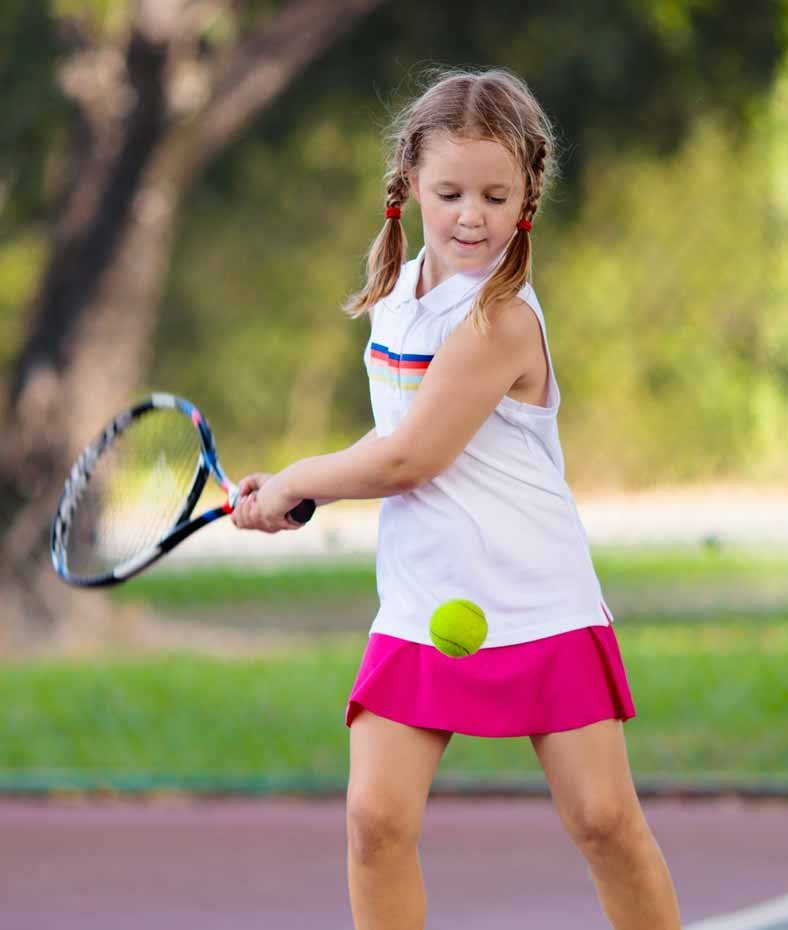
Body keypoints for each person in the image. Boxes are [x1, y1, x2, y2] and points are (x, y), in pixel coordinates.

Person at [231, 66, 682, 930]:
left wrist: (298, 477)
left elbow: (411, 460)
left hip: (538, 596)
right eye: (450, 192)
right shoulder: (396, 299)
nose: (472, 215)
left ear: (528, 200)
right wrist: (296, 488)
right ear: (407, 186)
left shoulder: (500, 320)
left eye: (495, 194)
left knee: (604, 822)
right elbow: (388, 439)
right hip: (423, 596)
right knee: (374, 822)